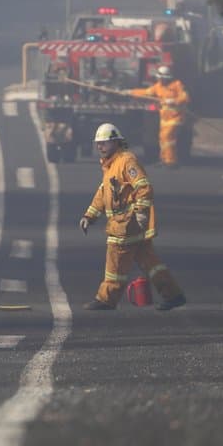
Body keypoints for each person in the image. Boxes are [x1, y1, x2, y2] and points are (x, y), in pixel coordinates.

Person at [80, 123, 186, 311]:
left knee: (115, 264)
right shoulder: (110, 165)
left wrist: (141, 213)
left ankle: (106, 298)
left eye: (104, 143)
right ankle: (174, 295)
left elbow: (143, 187)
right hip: (127, 225)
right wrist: (89, 216)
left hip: (126, 225)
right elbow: (103, 194)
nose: (100, 147)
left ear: (116, 142)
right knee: (150, 262)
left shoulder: (126, 161)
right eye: (98, 144)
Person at [128, 65, 190, 167]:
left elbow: (185, 97)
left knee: (167, 137)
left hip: (176, 117)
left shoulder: (177, 85)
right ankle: (164, 159)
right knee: (163, 139)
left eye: (163, 78)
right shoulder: (158, 87)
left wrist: (174, 101)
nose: (161, 79)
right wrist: (131, 92)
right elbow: (146, 92)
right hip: (164, 119)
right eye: (160, 78)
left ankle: (170, 161)